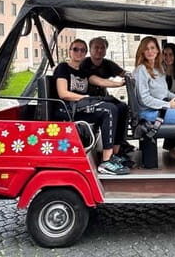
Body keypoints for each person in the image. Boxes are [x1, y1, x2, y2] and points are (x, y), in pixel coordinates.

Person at [54, 38, 130, 175]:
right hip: (68, 108)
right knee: (108, 110)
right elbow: (63, 93)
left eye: (82, 50)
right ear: (70, 51)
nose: (79, 52)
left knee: (119, 106)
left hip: (82, 106)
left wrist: (120, 83)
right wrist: (87, 98)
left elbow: (100, 81)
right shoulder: (63, 68)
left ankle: (115, 154)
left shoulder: (83, 71)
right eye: (76, 49)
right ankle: (106, 162)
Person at [133, 36, 175, 166]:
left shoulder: (158, 69)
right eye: (146, 49)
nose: (150, 51)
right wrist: (169, 105)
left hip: (159, 107)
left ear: (157, 50)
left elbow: (165, 92)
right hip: (148, 112)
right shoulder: (141, 70)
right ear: (142, 51)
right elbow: (144, 99)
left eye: (153, 48)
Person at [80, 36, 134, 155]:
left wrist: (130, 77)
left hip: (102, 97)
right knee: (111, 109)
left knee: (123, 107)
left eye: (102, 48)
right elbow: (96, 80)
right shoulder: (85, 64)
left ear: (106, 50)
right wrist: (118, 84)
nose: (99, 50)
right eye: (96, 47)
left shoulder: (107, 64)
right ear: (90, 49)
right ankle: (108, 154)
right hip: (87, 100)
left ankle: (119, 145)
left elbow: (123, 73)